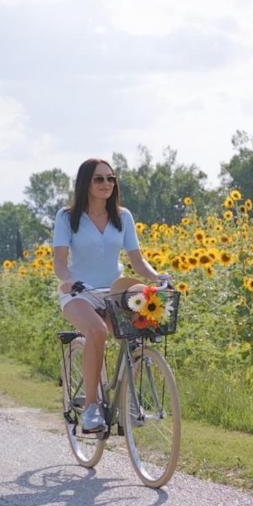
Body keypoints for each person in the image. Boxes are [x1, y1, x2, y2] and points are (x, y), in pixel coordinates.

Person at [52, 158, 169, 434]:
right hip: (80, 293)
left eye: (110, 178)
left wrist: (157, 277)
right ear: (85, 183)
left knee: (136, 336)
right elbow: (59, 262)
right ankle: (91, 407)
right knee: (97, 331)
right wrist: (69, 280)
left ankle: (127, 400)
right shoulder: (67, 217)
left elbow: (137, 261)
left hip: (114, 291)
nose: (106, 183)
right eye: (99, 179)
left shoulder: (123, 216)